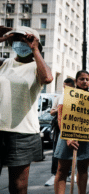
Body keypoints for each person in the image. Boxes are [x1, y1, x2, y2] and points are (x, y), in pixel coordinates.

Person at [0, 26, 53, 193]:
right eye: (16, 40)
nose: (20, 44)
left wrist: (35, 49)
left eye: (25, 40)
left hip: (22, 134)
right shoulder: (5, 63)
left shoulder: (37, 67)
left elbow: (47, 78)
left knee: (18, 187)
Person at [54, 70, 89, 194]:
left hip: (85, 136)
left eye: (87, 79)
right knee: (62, 170)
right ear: (76, 81)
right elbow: (60, 116)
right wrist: (68, 138)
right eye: (81, 79)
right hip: (67, 137)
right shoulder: (67, 94)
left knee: (83, 170)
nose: (85, 81)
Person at [44, 78, 75, 186]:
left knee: (71, 150)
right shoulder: (58, 98)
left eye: (69, 86)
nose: (66, 88)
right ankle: (54, 174)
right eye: (64, 86)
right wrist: (59, 109)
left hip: (71, 127)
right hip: (59, 128)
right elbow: (52, 112)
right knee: (56, 151)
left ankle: (70, 173)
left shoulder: (76, 97)